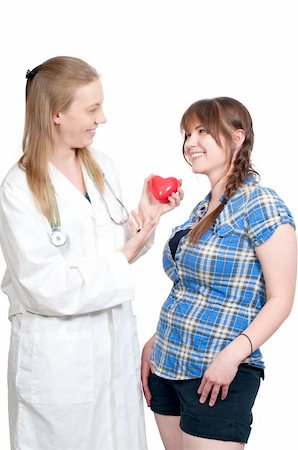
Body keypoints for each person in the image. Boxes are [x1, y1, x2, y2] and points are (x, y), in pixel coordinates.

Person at [0, 56, 183, 450]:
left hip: (113, 356)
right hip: (60, 365)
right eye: (92, 109)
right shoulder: (18, 190)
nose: (102, 119)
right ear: (55, 115)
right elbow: (45, 288)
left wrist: (146, 219)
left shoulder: (103, 167)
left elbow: (119, 248)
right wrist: (125, 254)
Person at [141, 96, 297, 450]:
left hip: (218, 374)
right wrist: (157, 340)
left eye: (202, 132)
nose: (190, 143)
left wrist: (232, 356)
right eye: (186, 134)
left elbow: (281, 300)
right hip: (167, 364)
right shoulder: (199, 210)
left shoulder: (261, 204)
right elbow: (191, 288)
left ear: (238, 137)